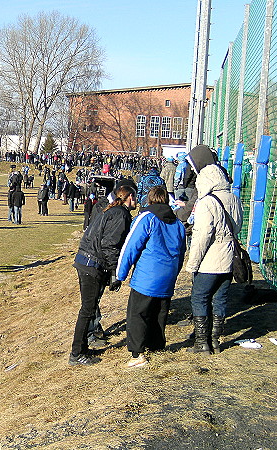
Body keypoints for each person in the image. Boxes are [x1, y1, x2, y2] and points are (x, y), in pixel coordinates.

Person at [116, 186, 186, 368]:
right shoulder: (177, 224)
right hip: (168, 276)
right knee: (159, 313)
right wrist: (174, 273)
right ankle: (156, 347)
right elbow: (181, 252)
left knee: (137, 314)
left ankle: (137, 353)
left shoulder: (147, 218)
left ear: (150, 199)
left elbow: (131, 245)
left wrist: (120, 273)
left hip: (147, 276)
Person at [68, 185, 137, 366]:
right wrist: (115, 272)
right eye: (135, 196)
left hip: (87, 261)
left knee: (89, 309)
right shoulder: (120, 214)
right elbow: (110, 245)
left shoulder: (111, 211)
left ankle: (81, 348)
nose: (137, 200)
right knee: (87, 310)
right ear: (129, 197)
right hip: (92, 264)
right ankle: (76, 353)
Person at [185, 144, 242, 355]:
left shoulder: (207, 202)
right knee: (220, 298)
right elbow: (238, 226)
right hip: (228, 258)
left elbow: (201, 236)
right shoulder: (234, 199)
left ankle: (202, 342)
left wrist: (193, 263)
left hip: (210, 258)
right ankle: (216, 340)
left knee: (199, 297)